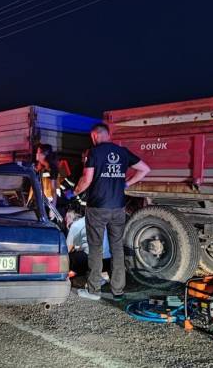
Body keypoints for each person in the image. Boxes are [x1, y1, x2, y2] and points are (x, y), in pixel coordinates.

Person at [73, 123, 151, 301]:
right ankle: (118, 291)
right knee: (117, 248)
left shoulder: (94, 153)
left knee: (96, 248)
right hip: (118, 208)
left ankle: (93, 290)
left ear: (94, 136)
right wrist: (127, 183)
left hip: (97, 208)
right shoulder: (122, 152)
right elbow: (145, 169)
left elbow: (86, 180)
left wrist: (75, 191)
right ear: (108, 135)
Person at [65, 210, 112, 278]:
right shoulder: (104, 221)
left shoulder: (76, 225)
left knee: (68, 258)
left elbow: (67, 249)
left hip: (93, 261)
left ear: (69, 218)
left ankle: (72, 275)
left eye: (66, 218)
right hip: (108, 261)